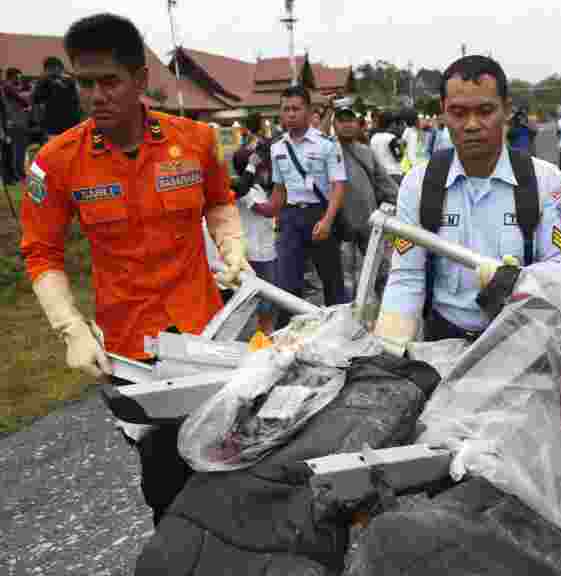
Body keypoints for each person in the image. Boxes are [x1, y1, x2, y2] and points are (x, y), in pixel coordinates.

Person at [20, 13, 248, 525]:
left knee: (228, 463)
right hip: (131, 350)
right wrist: (70, 328)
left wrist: (231, 244)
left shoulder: (195, 140)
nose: (96, 96)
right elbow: (41, 252)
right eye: (84, 84)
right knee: (164, 481)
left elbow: (219, 201)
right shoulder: (56, 162)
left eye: (109, 81)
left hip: (206, 332)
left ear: (140, 79)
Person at [374, 55, 561, 347]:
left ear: (506, 110)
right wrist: (389, 350)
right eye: (458, 113)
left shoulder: (547, 182)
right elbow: (407, 277)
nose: (471, 125)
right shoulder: (418, 184)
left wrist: (518, 283)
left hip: (521, 340)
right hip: (443, 341)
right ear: (443, 113)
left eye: (485, 111)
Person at [269, 85, 349, 322]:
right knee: (286, 286)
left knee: (332, 282)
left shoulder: (326, 144)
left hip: (319, 215)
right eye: (286, 109)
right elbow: (279, 190)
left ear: (308, 110)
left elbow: (338, 186)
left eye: (296, 109)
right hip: (290, 218)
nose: (291, 114)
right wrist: (273, 218)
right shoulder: (277, 148)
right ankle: (286, 335)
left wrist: (328, 220)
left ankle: (340, 330)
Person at [331, 96, 399, 293]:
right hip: (339, 228)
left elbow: (386, 184)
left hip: (369, 225)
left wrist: (401, 204)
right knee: (345, 280)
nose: (347, 125)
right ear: (334, 124)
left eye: (350, 120)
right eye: (341, 121)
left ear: (358, 124)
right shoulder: (326, 151)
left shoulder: (366, 152)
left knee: (380, 273)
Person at [232, 116, 278, 335]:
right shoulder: (243, 191)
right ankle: (262, 336)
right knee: (263, 301)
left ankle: (263, 335)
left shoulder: (257, 188)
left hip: (265, 250)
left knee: (267, 300)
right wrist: (282, 195)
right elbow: (267, 210)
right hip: (255, 254)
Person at [30, 56, 82, 141]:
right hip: (53, 127)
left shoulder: (70, 81)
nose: (57, 70)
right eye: (51, 68)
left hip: (71, 125)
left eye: (59, 67)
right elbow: (36, 101)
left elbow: (77, 101)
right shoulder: (43, 83)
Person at [3, 68, 31, 183]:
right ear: (13, 76)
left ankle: (19, 174)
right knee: (17, 150)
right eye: (18, 77)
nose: (20, 79)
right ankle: (18, 174)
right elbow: (24, 100)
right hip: (15, 123)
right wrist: (27, 96)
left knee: (20, 150)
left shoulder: (12, 87)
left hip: (19, 122)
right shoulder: (8, 86)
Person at [369, 111, 405, 186]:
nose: (396, 125)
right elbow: (399, 157)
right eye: (395, 123)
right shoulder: (392, 138)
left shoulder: (373, 137)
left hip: (378, 175)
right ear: (391, 124)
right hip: (394, 174)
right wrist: (402, 147)